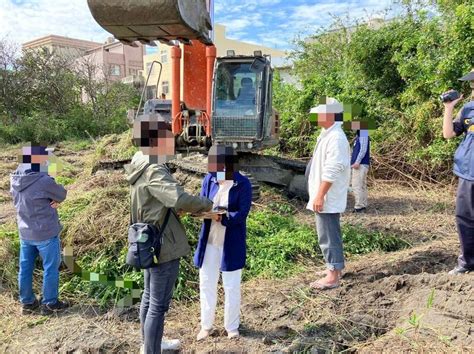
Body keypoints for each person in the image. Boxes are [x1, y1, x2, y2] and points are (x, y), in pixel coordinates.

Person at [125, 115, 213, 354]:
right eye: (167, 134)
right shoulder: (153, 168)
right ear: (155, 139)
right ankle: (151, 350)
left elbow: (161, 200)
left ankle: (150, 344)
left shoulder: (139, 160)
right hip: (162, 243)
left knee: (148, 296)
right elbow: (178, 198)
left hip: (147, 238)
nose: (172, 139)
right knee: (157, 305)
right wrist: (207, 203)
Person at [194, 145, 252, 341]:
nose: (216, 175)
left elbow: (242, 213)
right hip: (209, 239)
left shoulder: (242, 184)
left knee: (231, 285)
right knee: (206, 282)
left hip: (231, 241)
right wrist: (199, 211)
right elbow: (202, 202)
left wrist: (222, 218)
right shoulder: (208, 180)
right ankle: (206, 325)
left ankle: (232, 326)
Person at [10, 144, 69, 315]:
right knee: (51, 267)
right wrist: (54, 196)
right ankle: (50, 303)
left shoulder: (14, 179)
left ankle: (27, 303)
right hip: (45, 232)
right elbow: (62, 194)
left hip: (24, 231)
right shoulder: (43, 181)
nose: (48, 161)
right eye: (45, 159)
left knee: (25, 266)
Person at [306, 97, 351, 290]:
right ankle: (333, 267)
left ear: (330, 115)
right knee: (329, 232)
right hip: (324, 194)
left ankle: (332, 275)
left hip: (327, 196)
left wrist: (320, 195)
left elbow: (333, 169)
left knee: (328, 234)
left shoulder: (336, 138)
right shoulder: (327, 134)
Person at [441, 68, 474, 275]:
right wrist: (449, 108)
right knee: (465, 218)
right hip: (467, 172)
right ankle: (467, 263)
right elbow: (448, 134)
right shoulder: (468, 109)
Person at [350, 124, 370, 213]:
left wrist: (357, 161)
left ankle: (359, 206)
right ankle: (362, 205)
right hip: (361, 164)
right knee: (361, 185)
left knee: (356, 185)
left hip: (360, 164)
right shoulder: (359, 135)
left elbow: (363, 149)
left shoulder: (363, 133)